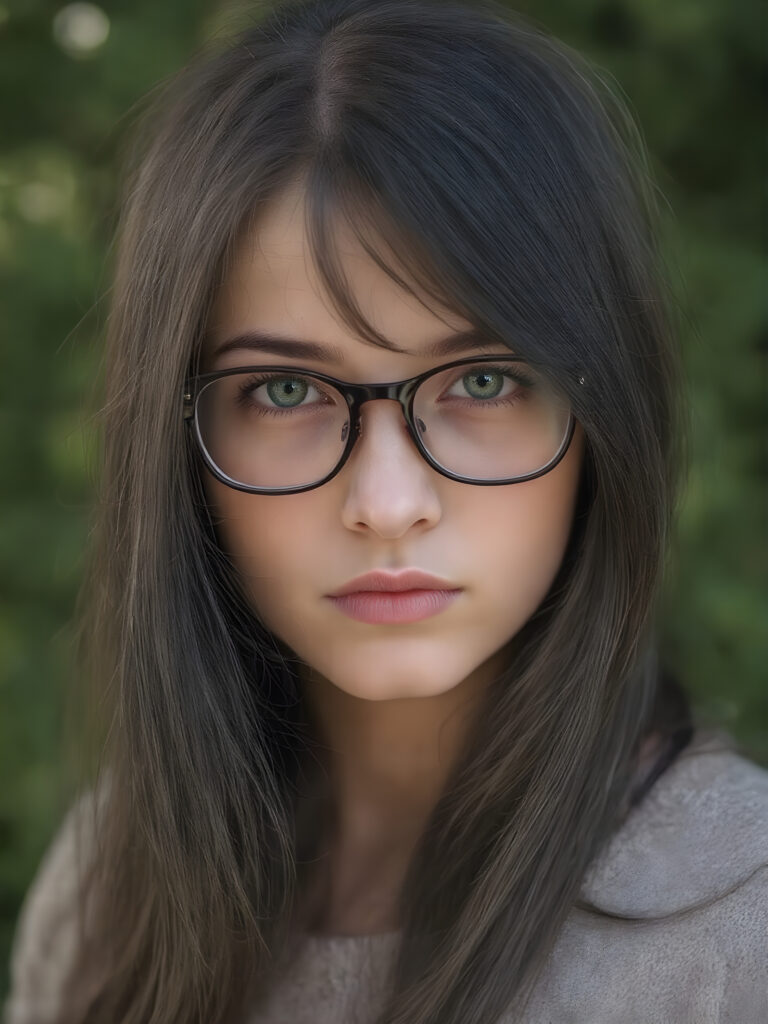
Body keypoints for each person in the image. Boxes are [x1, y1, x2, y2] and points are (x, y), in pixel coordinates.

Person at [4, 0, 767, 1022]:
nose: (388, 503)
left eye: (485, 382)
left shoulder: (738, 934)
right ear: (179, 452)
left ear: (602, 414)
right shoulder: (112, 894)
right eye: (284, 392)